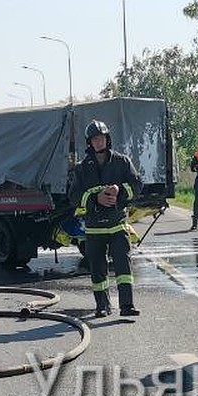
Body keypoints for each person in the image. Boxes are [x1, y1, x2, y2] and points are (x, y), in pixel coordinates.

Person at [69, 119, 142, 318]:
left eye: (101, 138)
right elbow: (74, 197)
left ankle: (127, 306)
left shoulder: (122, 161)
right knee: (98, 269)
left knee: (123, 265)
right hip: (94, 229)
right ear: (89, 143)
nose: (98, 142)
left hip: (118, 224)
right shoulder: (82, 168)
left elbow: (137, 186)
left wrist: (120, 191)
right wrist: (95, 198)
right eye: (94, 139)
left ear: (107, 139)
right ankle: (102, 306)